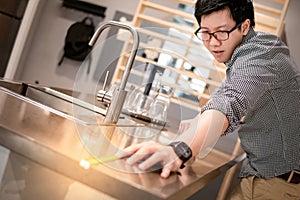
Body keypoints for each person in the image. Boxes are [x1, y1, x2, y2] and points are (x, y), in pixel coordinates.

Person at [116, 0, 300, 199]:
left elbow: (229, 103)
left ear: (244, 26)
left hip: (280, 186)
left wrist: (179, 149)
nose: (213, 42)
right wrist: (180, 144)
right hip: (259, 176)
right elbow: (219, 100)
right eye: (205, 32)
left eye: (222, 32)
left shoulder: (262, 56)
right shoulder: (248, 55)